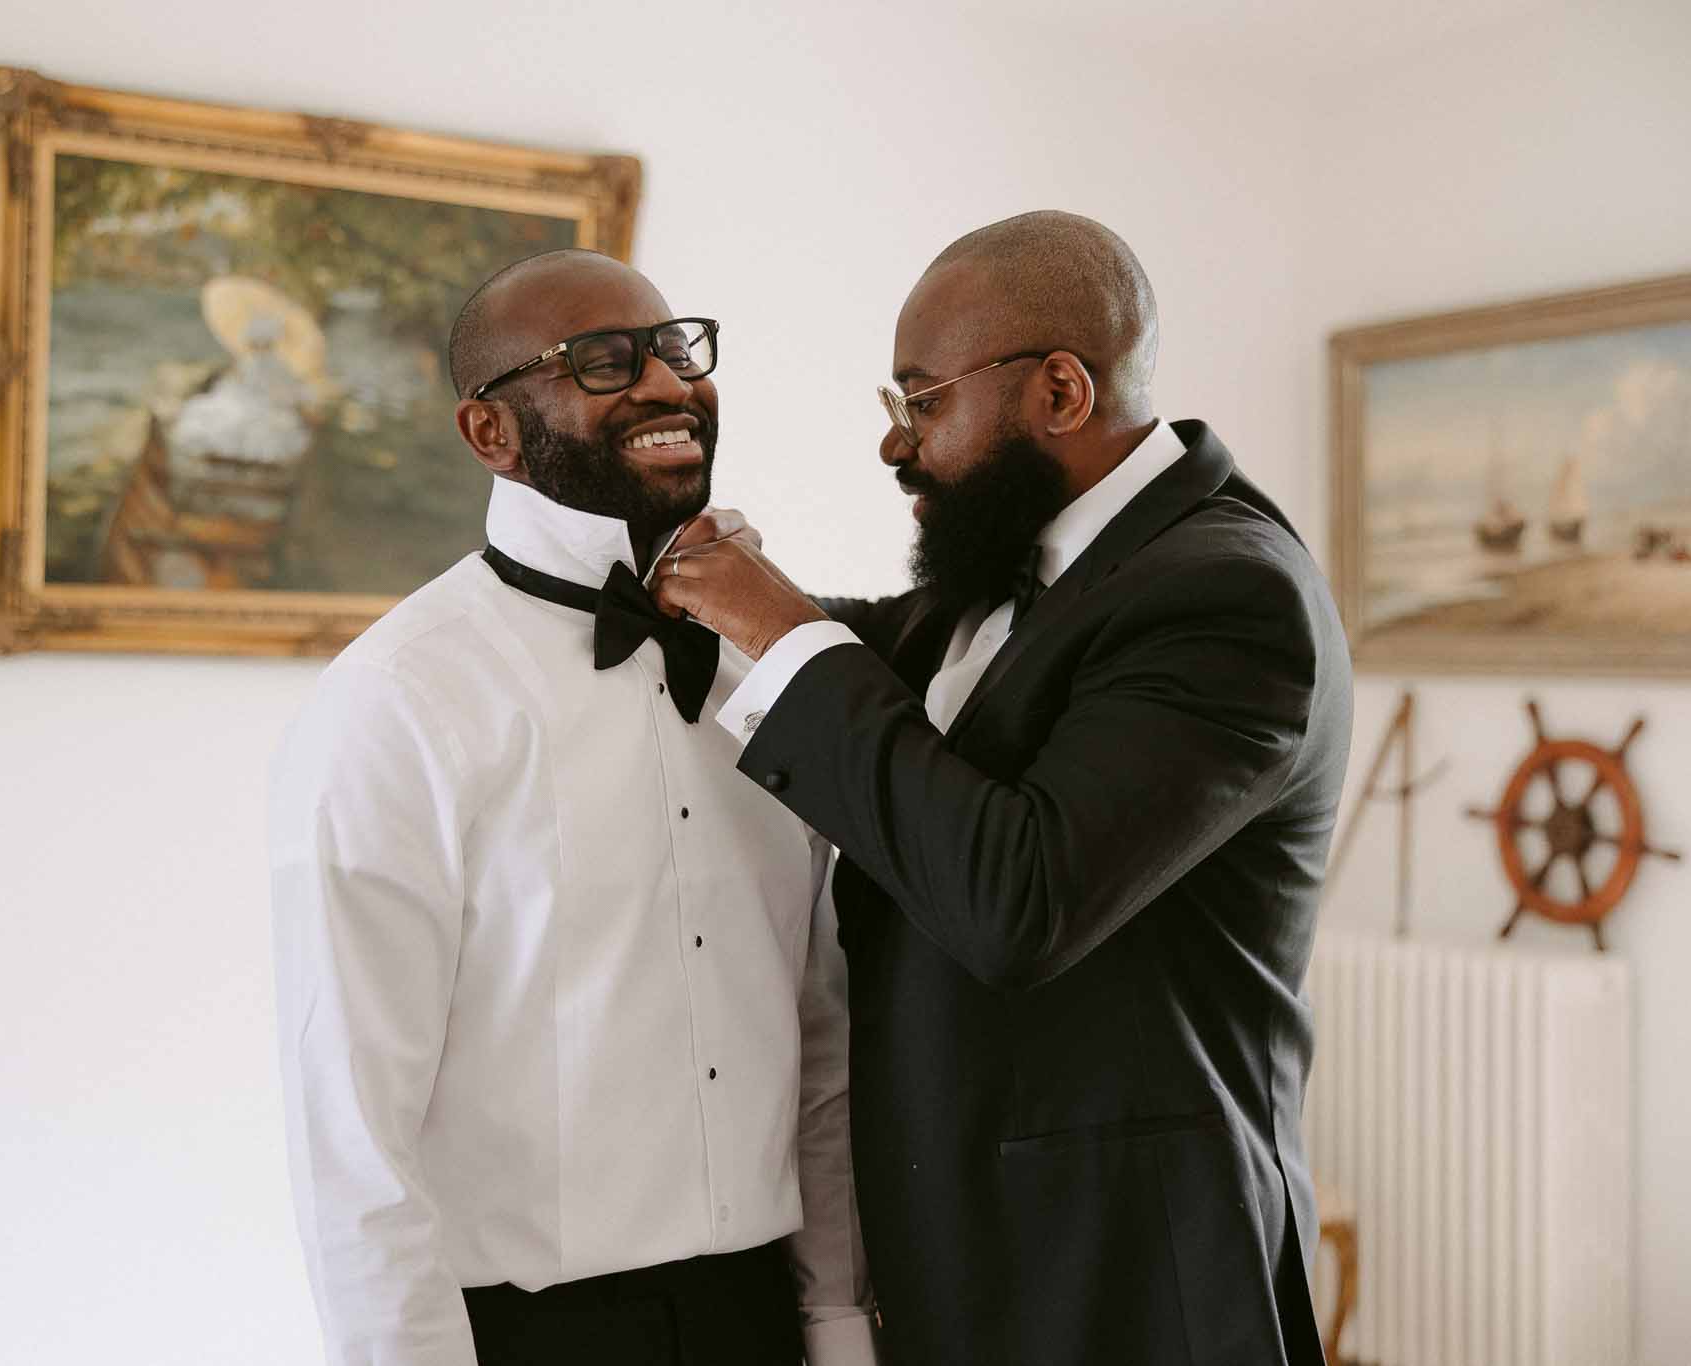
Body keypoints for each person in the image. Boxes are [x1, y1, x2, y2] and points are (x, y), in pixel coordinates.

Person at [652, 212, 1355, 1366]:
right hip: (978, 1265)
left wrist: (774, 629)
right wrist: (706, 589)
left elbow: (1014, 897)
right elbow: (866, 658)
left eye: (920, 403)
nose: (894, 446)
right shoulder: (1012, 567)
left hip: (1129, 1287)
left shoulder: (1230, 595)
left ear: (1060, 393)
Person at [268, 248, 875, 1366]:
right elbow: (352, 1133)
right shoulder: (394, 703)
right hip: (527, 1333)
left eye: (673, 347)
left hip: (761, 1318)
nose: (662, 383)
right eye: (599, 361)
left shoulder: (769, 672)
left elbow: (819, 1037)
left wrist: (837, 1327)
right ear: (489, 434)